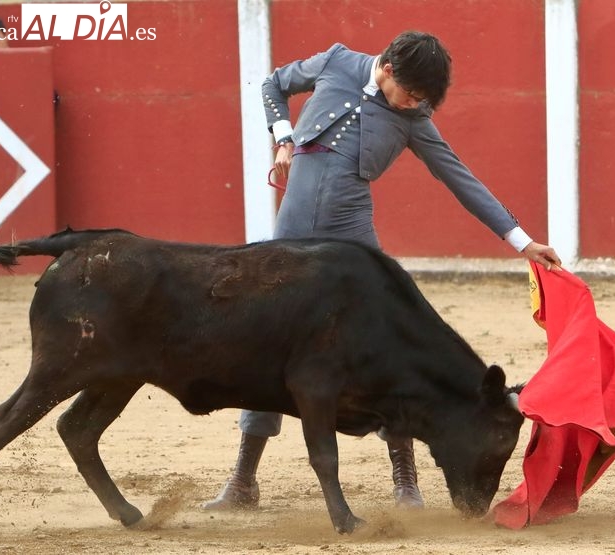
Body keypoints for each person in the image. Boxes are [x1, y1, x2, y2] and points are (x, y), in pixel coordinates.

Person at [203, 30, 561, 512]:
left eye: (423, 99)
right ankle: (243, 481)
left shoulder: (413, 118)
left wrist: (522, 242)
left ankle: (405, 480)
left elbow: (460, 178)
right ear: (388, 69)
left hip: (354, 245)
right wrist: (283, 136)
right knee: (267, 347)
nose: (414, 105)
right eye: (411, 94)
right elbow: (273, 84)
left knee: (390, 349)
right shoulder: (335, 61)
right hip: (290, 238)